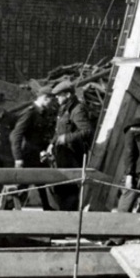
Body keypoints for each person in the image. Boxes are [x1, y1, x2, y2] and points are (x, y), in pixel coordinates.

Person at [47, 79, 93, 211]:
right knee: (60, 189)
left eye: (59, 94)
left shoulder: (77, 109)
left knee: (68, 191)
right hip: (62, 154)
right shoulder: (64, 109)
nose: (56, 97)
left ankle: (68, 220)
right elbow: (59, 131)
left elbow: (87, 131)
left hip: (72, 157)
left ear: (67, 95)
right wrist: (52, 144)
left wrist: (66, 138)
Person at [9, 86, 55, 210]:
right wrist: (18, 158)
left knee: (40, 180)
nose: (52, 103)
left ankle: (46, 206)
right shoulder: (30, 112)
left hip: (37, 154)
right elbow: (16, 135)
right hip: (27, 154)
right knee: (23, 184)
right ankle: (7, 207)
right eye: (51, 99)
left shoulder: (42, 112)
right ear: (45, 98)